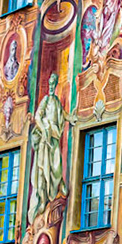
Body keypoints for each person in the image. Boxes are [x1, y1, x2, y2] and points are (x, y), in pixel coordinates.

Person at [28, 73, 69, 206]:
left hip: (54, 136)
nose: (51, 86)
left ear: (56, 85)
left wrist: (70, 118)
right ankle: (43, 198)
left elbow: (62, 114)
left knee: (56, 166)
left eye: (53, 84)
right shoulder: (45, 100)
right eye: (50, 84)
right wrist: (44, 129)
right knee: (44, 167)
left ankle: (58, 186)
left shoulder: (56, 101)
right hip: (46, 138)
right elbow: (38, 116)